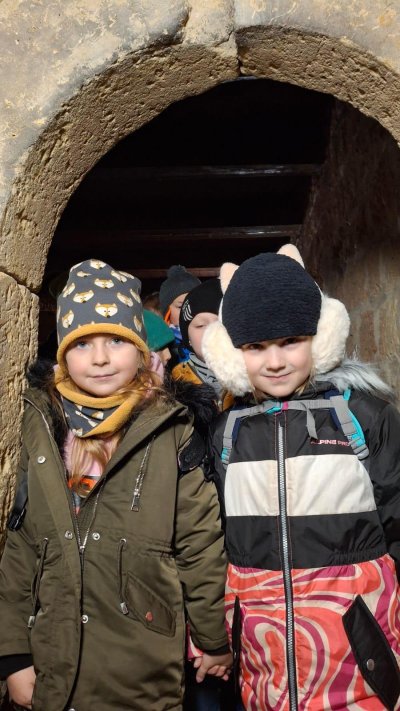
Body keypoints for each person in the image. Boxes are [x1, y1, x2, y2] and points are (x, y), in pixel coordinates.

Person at [0, 259, 231, 711]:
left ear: (141, 348)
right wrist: (14, 655)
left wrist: (212, 638)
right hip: (54, 661)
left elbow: (200, 542)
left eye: (116, 341)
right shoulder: (43, 426)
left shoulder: (173, 427)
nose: (100, 358)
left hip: (141, 665)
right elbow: (22, 545)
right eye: (82, 343)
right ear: (63, 352)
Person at [202, 245, 400, 711]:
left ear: (320, 337)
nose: (274, 361)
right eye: (255, 347)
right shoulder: (227, 433)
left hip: (359, 669)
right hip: (263, 672)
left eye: (290, 340)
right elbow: (213, 542)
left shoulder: (364, 418)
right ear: (233, 354)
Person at [159, 265, 201, 366]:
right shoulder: (163, 346)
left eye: (194, 304)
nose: (188, 311)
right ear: (167, 311)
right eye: (180, 306)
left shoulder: (212, 336)